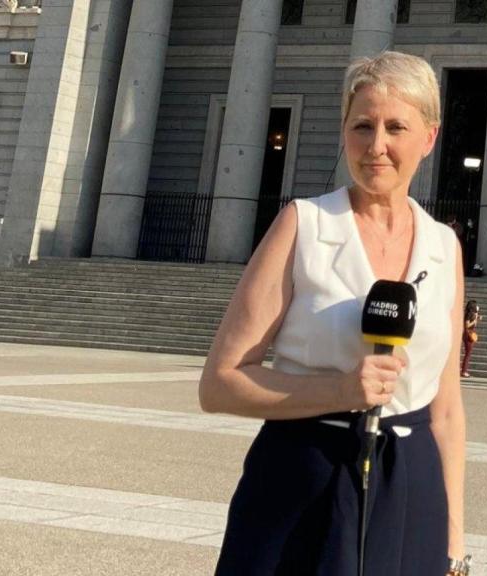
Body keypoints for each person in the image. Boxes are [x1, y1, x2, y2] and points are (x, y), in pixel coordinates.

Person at [200, 52, 466, 574]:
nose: (377, 146)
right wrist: (344, 391)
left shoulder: (444, 245)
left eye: (396, 127)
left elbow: (447, 409)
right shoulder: (303, 225)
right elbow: (219, 384)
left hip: (413, 487)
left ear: (429, 138)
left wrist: (454, 542)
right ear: (344, 131)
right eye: (362, 126)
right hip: (304, 477)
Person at [461, 301, 480, 378]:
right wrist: (474, 320)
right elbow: (467, 325)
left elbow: (474, 325)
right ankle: (464, 371)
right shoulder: (468, 314)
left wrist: (476, 316)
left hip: (470, 333)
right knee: (468, 354)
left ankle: (464, 370)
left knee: (468, 353)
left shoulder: (472, 314)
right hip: (468, 334)